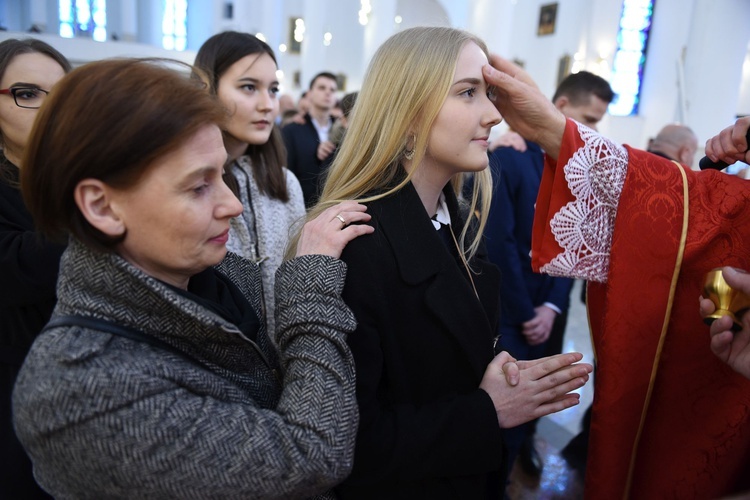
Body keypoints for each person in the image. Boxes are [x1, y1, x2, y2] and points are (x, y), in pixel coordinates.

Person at [12, 57, 374, 499]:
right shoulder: (78, 388)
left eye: (221, 175)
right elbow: (310, 453)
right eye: (198, 186)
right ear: (102, 207)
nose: (231, 205)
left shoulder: (216, 275)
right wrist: (308, 288)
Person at [293, 26, 594, 499]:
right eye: (468, 93)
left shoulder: (454, 220)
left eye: (489, 94)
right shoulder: (358, 245)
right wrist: (486, 409)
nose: (494, 115)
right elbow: (352, 446)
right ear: (409, 111)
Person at [483, 56, 750, 498]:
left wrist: (556, 130)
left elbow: (694, 214)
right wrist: (554, 131)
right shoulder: (508, 160)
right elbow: (507, 244)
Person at [485, 70, 614, 479]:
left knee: (544, 394)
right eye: (588, 119)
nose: (593, 131)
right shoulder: (509, 156)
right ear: (560, 107)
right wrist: (527, 312)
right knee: (508, 396)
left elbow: (576, 240)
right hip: (512, 308)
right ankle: (500, 469)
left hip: (550, 309)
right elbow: (500, 243)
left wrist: (554, 306)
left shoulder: (579, 167)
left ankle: (527, 449)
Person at [194, 31, 305, 339]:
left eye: (273, 90)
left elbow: (296, 272)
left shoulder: (285, 182)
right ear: (208, 90)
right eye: (248, 87)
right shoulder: (189, 184)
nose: (268, 105)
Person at [0, 37, 71, 500]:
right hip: (15, 392)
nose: (48, 108)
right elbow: (18, 271)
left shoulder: (84, 180)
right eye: (27, 93)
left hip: (89, 394)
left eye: (62, 95)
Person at [282, 71, 339, 207]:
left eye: (332, 89)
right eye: (321, 88)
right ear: (309, 93)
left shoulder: (343, 130)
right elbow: (287, 173)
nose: (328, 92)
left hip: (334, 204)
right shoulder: (292, 130)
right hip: (301, 204)